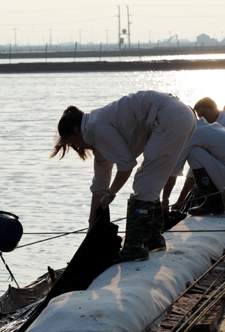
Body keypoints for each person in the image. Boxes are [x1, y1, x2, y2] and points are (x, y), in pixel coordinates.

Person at [52, 91, 196, 264]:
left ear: (77, 130)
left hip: (169, 117)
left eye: (72, 142)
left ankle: (134, 248)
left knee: (144, 183)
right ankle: (153, 239)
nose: (77, 147)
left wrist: (111, 194)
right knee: (151, 182)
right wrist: (92, 225)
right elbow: (99, 185)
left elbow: (127, 165)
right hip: (180, 116)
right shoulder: (96, 135)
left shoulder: (96, 128)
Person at [165, 119, 225, 216]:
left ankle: (214, 203)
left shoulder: (193, 134)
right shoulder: (214, 128)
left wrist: (165, 201)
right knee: (196, 153)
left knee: (194, 152)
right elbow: (192, 174)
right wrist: (181, 201)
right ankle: (214, 201)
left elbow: (173, 172)